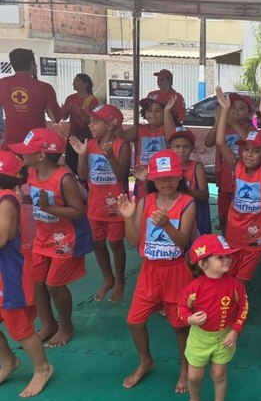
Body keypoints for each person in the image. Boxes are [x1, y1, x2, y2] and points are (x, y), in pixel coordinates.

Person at [117, 150, 196, 392]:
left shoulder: (187, 203)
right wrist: (128, 218)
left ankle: (184, 370)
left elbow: (183, 243)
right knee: (134, 321)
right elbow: (133, 241)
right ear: (152, 179)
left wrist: (166, 226)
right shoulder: (146, 202)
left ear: (180, 176)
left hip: (176, 271)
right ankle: (145, 361)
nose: (167, 182)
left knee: (180, 327)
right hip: (149, 271)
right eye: (161, 178)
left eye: (172, 177)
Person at [10, 129, 92, 349]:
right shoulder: (32, 172)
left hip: (66, 238)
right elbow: (37, 198)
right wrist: (24, 197)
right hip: (43, 237)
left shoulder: (64, 178)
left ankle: (66, 326)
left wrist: (50, 208)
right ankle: (48, 324)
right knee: (37, 284)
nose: (21, 155)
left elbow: (78, 211)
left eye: (27, 151)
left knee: (54, 284)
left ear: (41, 155)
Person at [177, 234, 248, 401]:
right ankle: (194, 400)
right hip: (200, 338)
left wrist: (235, 331)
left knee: (219, 374)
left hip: (224, 337)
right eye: (220, 257)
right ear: (203, 264)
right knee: (193, 376)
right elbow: (182, 307)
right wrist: (189, 319)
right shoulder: (194, 288)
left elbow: (243, 307)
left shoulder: (235, 286)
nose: (227, 260)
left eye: (228, 256)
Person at [0, 150, 54, 397]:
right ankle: (9, 361)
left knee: (20, 327)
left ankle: (43, 368)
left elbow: (2, 238)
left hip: (9, 274)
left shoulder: (6, 201)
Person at [215, 87, 261, 284]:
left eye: (255, 151)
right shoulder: (237, 167)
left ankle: (237, 312)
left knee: (240, 282)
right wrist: (225, 110)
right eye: (246, 150)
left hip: (254, 238)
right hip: (233, 236)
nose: (249, 154)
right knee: (228, 278)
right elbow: (219, 142)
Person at [70, 104, 131, 302]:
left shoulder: (122, 145)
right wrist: (81, 154)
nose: (90, 125)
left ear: (111, 125)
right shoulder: (91, 145)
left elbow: (122, 175)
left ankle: (120, 280)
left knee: (116, 244)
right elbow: (82, 174)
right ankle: (108, 278)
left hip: (115, 205)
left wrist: (111, 157)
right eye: (91, 121)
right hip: (95, 205)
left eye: (95, 122)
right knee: (98, 243)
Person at [204, 92, 254, 233]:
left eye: (241, 108)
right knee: (223, 214)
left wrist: (233, 124)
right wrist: (218, 122)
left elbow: (252, 142)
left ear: (249, 113)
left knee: (241, 213)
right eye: (233, 107)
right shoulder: (223, 126)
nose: (235, 111)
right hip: (226, 177)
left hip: (244, 177)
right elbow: (208, 143)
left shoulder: (249, 127)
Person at [0, 48, 62, 149]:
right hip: (36, 146)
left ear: (12, 65)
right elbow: (56, 118)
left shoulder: (2, 84)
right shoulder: (45, 87)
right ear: (32, 63)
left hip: (11, 145)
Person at [117, 95, 171, 199]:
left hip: (163, 177)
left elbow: (171, 136)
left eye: (158, 110)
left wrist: (168, 112)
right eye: (149, 110)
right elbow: (122, 137)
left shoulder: (166, 129)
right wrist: (116, 122)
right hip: (141, 178)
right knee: (144, 206)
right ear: (144, 113)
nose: (153, 114)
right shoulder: (139, 129)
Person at [166, 128, 210, 237]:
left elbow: (205, 195)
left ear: (192, 148)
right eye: (177, 147)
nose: (181, 150)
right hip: (173, 216)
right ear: (169, 148)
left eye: (186, 147)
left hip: (196, 218)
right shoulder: (166, 168)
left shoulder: (197, 167)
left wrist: (186, 191)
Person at [61, 73, 99, 173]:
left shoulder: (92, 100)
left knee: (86, 166)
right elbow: (64, 117)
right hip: (72, 137)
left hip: (87, 138)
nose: (74, 83)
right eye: (74, 81)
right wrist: (62, 110)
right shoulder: (70, 98)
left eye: (77, 80)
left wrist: (81, 112)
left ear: (86, 84)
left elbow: (91, 121)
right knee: (70, 165)